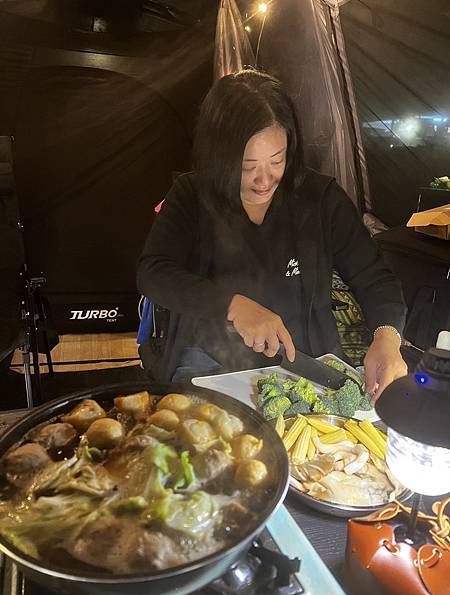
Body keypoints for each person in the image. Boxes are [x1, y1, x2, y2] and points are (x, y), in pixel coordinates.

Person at [137, 68, 407, 401]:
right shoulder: (192, 194)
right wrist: (233, 305)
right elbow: (153, 273)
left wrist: (387, 337)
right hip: (208, 361)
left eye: (276, 161)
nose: (264, 180)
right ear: (218, 156)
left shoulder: (320, 199)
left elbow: (375, 277)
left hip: (305, 362)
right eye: (248, 166)